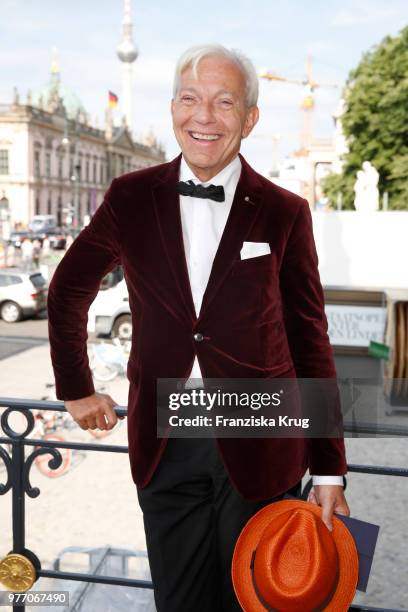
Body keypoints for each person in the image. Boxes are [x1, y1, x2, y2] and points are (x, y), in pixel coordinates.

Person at [47, 44, 349, 611]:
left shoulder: (285, 211)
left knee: (258, 601)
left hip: (264, 437)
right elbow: (67, 289)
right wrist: (76, 387)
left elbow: (310, 337)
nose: (204, 116)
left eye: (224, 101)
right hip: (166, 438)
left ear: (249, 118)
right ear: (172, 108)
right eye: (190, 98)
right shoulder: (131, 197)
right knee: (180, 602)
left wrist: (330, 467)